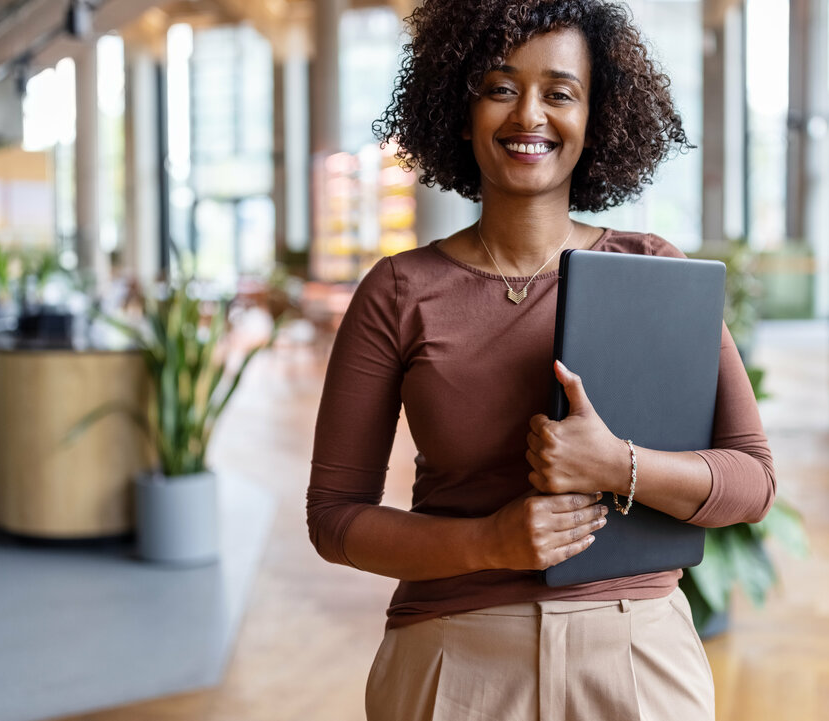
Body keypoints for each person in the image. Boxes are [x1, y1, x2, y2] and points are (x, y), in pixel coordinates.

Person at [306, 1, 776, 718]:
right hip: (454, 655)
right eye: (499, 87)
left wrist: (619, 464)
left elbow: (753, 481)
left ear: (596, 118)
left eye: (560, 92)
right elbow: (335, 519)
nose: (529, 115)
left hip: (634, 655)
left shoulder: (654, 270)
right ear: (460, 111)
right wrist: (488, 540)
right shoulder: (398, 291)